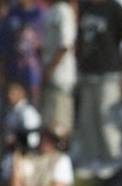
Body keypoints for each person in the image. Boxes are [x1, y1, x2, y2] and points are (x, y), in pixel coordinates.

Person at [75, 0, 122, 174]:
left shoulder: (114, 8)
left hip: (109, 71)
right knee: (88, 118)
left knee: (107, 116)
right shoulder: (85, 7)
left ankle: (113, 157)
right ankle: (92, 158)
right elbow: (79, 39)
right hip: (88, 72)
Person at [41, 0, 78, 136]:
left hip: (62, 76)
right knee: (49, 123)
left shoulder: (64, 10)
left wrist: (51, 68)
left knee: (61, 124)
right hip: (49, 76)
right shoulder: (50, 11)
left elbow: (66, 43)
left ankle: (61, 154)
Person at [0, 0, 46, 102]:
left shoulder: (41, 14)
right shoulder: (12, 13)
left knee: (32, 103)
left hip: (32, 70)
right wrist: (1, 68)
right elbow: (3, 43)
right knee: (11, 100)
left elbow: (44, 44)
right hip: (12, 67)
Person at [4, 80, 42, 151]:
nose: (9, 96)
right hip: (12, 150)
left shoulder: (28, 111)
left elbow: (33, 137)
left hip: (25, 152)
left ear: (22, 94)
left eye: (13, 93)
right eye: (8, 93)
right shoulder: (11, 111)